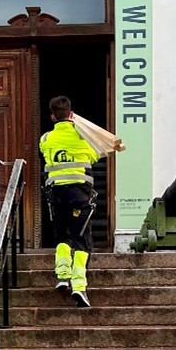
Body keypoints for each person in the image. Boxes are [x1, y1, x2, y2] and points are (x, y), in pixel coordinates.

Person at [39, 94, 99, 307]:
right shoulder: (83, 137)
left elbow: (45, 156)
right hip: (80, 195)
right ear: (71, 115)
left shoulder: (46, 139)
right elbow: (94, 156)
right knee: (81, 240)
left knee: (61, 236)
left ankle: (62, 276)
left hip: (56, 195)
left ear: (53, 117)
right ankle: (79, 286)